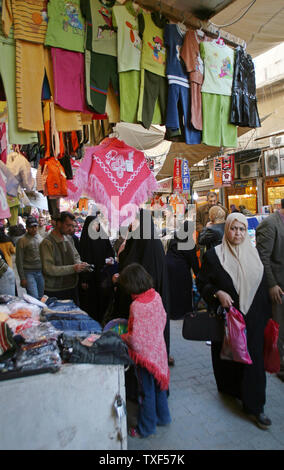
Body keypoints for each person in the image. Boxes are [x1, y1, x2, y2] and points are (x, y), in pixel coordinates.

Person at [197, 213, 272, 430]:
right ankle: (232, 391)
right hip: (228, 319)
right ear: (226, 230)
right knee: (230, 358)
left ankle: (256, 407)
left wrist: (267, 318)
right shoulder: (214, 256)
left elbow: (262, 285)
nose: (237, 233)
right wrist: (217, 292)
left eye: (241, 229)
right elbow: (202, 284)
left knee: (253, 360)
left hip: (255, 318)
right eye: (233, 229)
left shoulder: (254, 254)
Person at [119, 263, 171, 438]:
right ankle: (163, 417)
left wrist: (123, 337)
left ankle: (146, 428)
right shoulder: (156, 296)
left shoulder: (136, 306)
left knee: (146, 392)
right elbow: (163, 319)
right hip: (158, 352)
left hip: (144, 358)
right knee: (159, 386)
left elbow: (136, 340)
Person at [117, 209, 172, 364]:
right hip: (155, 300)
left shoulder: (141, 241)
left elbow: (131, 268)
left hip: (144, 301)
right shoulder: (152, 241)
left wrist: (121, 255)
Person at [256, 198, 284, 382]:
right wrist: (272, 284)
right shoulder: (270, 224)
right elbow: (263, 257)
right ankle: (279, 364)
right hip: (277, 284)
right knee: (278, 324)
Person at [40, 211, 89, 303]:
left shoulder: (69, 238)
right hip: (55, 289)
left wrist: (80, 264)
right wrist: (73, 268)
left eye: (72, 225)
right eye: (68, 225)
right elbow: (48, 269)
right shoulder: (47, 243)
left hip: (71, 286)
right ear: (59, 223)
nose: (70, 228)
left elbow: (76, 256)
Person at [79, 215, 115, 322]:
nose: (96, 227)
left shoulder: (103, 237)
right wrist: (83, 279)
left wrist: (109, 259)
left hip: (102, 277)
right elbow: (82, 259)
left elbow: (110, 252)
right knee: (90, 303)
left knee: (102, 302)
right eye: (93, 224)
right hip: (90, 278)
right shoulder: (85, 240)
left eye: (97, 224)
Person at [166, 219, 199, 319]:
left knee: (172, 290)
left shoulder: (174, 238)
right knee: (183, 291)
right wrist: (199, 275)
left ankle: (172, 312)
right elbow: (194, 262)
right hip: (181, 269)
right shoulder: (189, 243)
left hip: (169, 267)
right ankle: (183, 312)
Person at [15, 216, 44, 300]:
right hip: (29, 273)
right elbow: (19, 260)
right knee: (34, 297)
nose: (34, 229)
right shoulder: (22, 241)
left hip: (41, 271)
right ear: (27, 228)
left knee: (41, 297)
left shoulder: (40, 238)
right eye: (31, 227)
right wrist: (22, 278)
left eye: (35, 226)